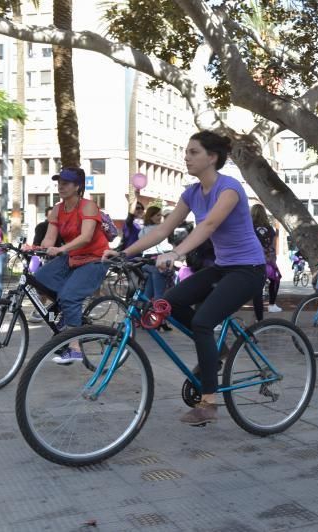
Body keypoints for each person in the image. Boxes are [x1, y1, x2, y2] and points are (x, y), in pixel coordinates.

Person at [105, 130, 265, 426]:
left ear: (212, 157)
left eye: (193, 152)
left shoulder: (228, 189)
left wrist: (175, 254)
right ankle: (219, 350)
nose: (186, 157)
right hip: (222, 266)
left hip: (248, 269)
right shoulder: (191, 193)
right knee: (166, 302)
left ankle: (209, 403)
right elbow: (161, 230)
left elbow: (209, 225)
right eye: (186, 152)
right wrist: (123, 253)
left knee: (203, 321)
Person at [35, 167, 111, 364]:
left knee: (70, 296)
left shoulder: (88, 206)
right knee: (40, 278)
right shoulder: (57, 209)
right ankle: (67, 310)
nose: (61, 186)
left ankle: (75, 348)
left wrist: (61, 250)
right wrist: (35, 248)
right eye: (59, 182)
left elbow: (86, 238)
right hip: (72, 256)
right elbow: (49, 239)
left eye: (66, 182)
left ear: (77, 186)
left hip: (95, 258)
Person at [139, 206, 174, 331]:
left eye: (161, 215)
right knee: (160, 294)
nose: (160, 217)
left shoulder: (143, 230)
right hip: (156, 262)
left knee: (148, 294)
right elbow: (165, 246)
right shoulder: (159, 229)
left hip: (146, 263)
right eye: (158, 215)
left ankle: (145, 319)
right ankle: (159, 321)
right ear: (151, 216)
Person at [251, 204, 282, 319]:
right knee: (276, 279)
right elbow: (273, 247)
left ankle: (259, 318)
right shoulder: (270, 229)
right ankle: (272, 304)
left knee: (257, 288)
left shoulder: (249, 228)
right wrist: (273, 261)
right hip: (267, 261)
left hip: (253, 261)